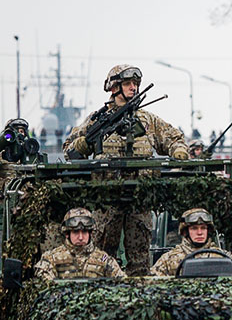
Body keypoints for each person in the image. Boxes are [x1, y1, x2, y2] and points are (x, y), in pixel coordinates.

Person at [63, 65, 190, 276]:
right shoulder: (97, 120)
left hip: (139, 200)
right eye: (128, 84)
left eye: (136, 84)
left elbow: (174, 138)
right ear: (114, 88)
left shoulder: (146, 120)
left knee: (140, 263)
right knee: (103, 259)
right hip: (107, 200)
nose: (133, 88)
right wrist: (86, 143)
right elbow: (70, 149)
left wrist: (179, 153)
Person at [151, 208, 232, 277]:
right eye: (194, 228)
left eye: (203, 228)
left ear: (208, 231)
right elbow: (153, 285)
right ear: (185, 232)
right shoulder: (169, 259)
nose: (200, 233)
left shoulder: (224, 257)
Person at [35, 208, 125, 280]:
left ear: (90, 233)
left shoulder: (103, 259)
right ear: (67, 234)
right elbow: (46, 286)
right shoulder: (51, 259)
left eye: (85, 232)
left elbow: (123, 283)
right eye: (76, 232)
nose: (81, 237)